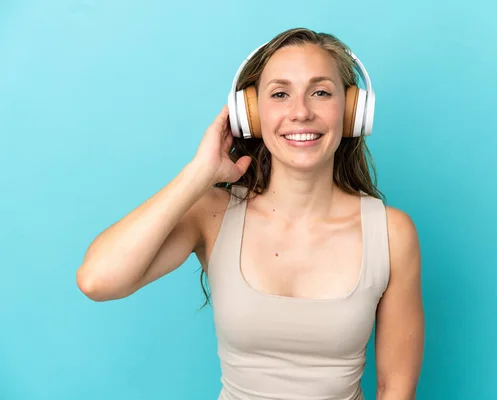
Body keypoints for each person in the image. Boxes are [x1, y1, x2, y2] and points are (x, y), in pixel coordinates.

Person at [76, 27, 424, 400]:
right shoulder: (212, 214)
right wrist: (198, 175)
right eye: (279, 94)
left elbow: (395, 388)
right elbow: (98, 280)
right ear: (251, 115)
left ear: (353, 110)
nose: (301, 112)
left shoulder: (390, 232)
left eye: (321, 92)